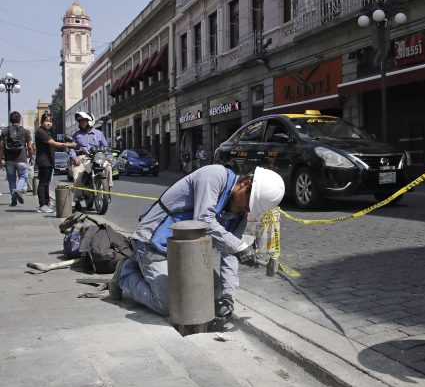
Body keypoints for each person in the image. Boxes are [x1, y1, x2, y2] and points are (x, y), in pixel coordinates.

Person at [109, 165, 285, 318]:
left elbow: (230, 256)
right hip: (155, 245)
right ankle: (125, 272)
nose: (245, 211)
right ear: (245, 184)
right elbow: (203, 219)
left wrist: (227, 298)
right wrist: (239, 247)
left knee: (213, 297)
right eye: (247, 205)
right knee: (168, 304)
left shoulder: (239, 217)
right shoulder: (214, 175)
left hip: (189, 254)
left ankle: (217, 296)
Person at [69, 111, 112, 211]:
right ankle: (77, 200)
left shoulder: (99, 133)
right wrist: (74, 158)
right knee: (77, 176)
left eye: (84, 121)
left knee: (108, 168)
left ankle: (107, 190)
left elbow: (105, 147)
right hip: (82, 158)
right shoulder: (76, 134)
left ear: (90, 121)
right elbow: (71, 148)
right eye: (80, 121)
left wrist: (109, 156)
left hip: (97, 156)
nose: (81, 123)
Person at [35, 113, 77, 213]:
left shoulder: (47, 132)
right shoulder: (41, 132)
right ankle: (42, 205)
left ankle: (47, 203)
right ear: (42, 122)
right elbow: (53, 143)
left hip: (49, 161)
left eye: (50, 121)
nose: (49, 123)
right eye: (47, 121)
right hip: (44, 161)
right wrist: (68, 145)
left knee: (47, 183)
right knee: (43, 183)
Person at [0, 111, 34, 206]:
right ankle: (18, 190)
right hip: (21, 158)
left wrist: (0, 159)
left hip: (9, 160)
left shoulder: (5, 131)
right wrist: (31, 158)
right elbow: (30, 147)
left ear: (10, 120)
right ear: (20, 120)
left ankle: (13, 199)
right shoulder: (25, 131)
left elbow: (1, 147)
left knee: (11, 179)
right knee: (23, 176)